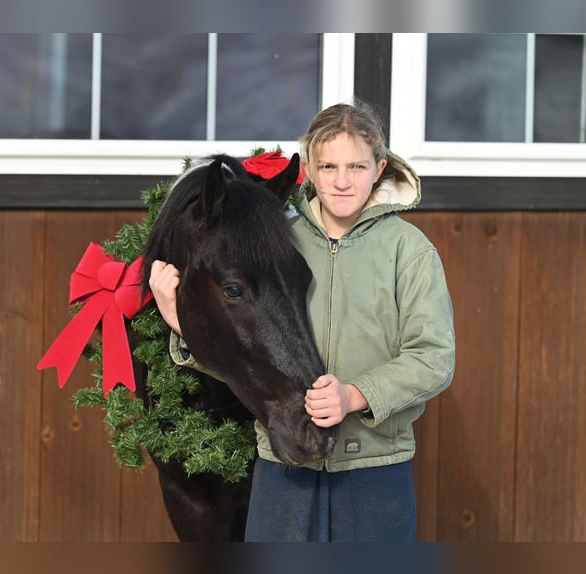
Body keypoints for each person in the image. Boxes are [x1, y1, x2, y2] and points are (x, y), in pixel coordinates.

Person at [148, 101, 455, 542]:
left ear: (380, 167)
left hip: (372, 466)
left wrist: (355, 395)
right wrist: (181, 325)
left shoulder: (408, 251)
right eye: (328, 166)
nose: (343, 180)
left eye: (357, 166)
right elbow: (248, 346)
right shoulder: (277, 243)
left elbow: (434, 356)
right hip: (283, 468)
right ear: (308, 170)